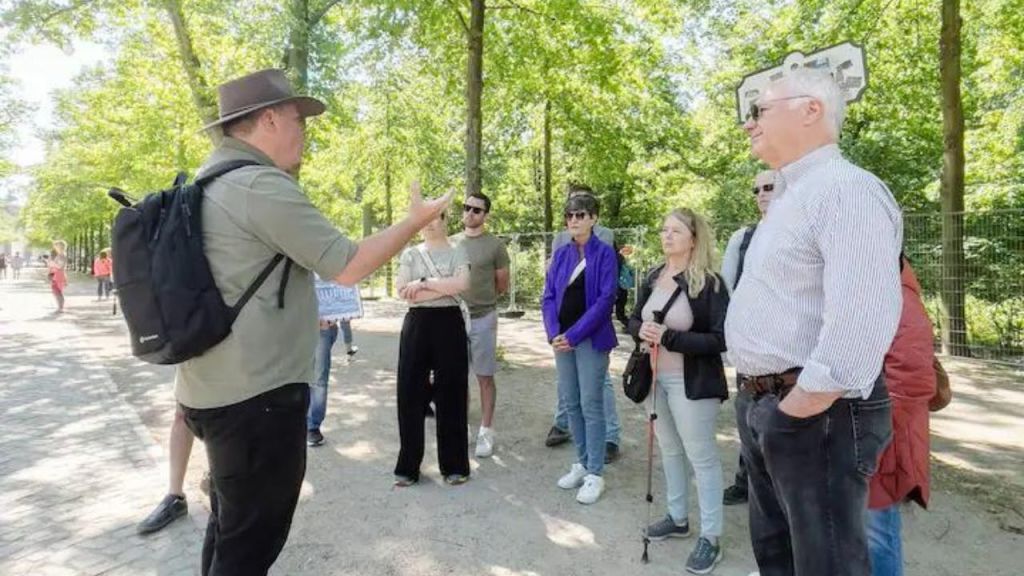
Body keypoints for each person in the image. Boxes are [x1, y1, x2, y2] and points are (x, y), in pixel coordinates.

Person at [175, 69, 451, 576]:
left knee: (230, 527)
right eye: (299, 119)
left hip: (209, 392)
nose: (305, 131)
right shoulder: (258, 184)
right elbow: (348, 264)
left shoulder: (207, 181)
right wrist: (415, 220)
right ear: (270, 118)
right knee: (248, 546)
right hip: (256, 400)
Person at [725, 68, 902, 575]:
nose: (749, 124)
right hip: (770, 403)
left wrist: (796, 410)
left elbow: (861, 319)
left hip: (815, 412)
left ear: (811, 110)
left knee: (825, 564)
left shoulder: (845, 190)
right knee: (777, 557)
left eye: (759, 110)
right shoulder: (788, 197)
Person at [630, 208, 729, 574]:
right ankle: (677, 516)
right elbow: (635, 317)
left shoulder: (711, 283)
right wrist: (639, 329)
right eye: (663, 229)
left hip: (692, 383)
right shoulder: (655, 275)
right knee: (669, 449)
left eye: (675, 230)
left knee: (701, 457)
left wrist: (670, 337)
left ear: (693, 237)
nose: (666, 235)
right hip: (653, 379)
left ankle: (712, 537)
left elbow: (721, 339)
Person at [542, 193, 618, 505]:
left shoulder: (605, 254)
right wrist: (554, 333)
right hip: (562, 341)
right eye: (570, 215)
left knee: (591, 403)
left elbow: (605, 299)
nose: (574, 219)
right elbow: (547, 296)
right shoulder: (560, 254)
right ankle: (583, 462)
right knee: (571, 402)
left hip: (590, 339)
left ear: (594, 218)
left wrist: (573, 335)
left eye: (581, 214)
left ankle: (596, 473)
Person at [866, 254, 936, 576]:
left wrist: (870, 436)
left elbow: (912, 379)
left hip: (882, 441)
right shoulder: (871, 286)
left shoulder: (898, 294)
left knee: (876, 533)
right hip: (866, 434)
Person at [393, 209, 471, 486]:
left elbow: (461, 284)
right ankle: (408, 465)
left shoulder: (458, 250)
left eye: (434, 218)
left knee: (452, 390)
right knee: (409, 390)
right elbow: (402, 290)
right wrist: (442, 286)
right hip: (417, 323)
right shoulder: (411, 254)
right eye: (423, 219)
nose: (428, 224)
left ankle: (454, 465)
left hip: (449, 322)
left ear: (445, 220)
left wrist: (423, 283)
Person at [719, 170, 777, 506]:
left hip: (790, 353)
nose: (761, 194)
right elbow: (727, 288)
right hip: (751, 347)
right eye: (756, 189)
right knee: (748, 418)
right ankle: (747, 479)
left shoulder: (804, 230)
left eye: (769, 187)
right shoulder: (742, 238)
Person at [452, 192, 509, 458]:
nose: (470, 213)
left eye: (477, 210)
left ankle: (486, 430)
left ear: (486, 215)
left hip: (484, 317)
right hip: (453, 317)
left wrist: (483, 302)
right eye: (467, 208)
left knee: (484, 376)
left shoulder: (495, 246)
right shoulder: (451, 244)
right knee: (456, 376)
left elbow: (502, 284)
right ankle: (460, 428)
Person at [48, 241, 68, 313]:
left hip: (58, 274)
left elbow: (60, 266)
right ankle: (60, 307)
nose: (55, 247)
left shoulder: (62, 255)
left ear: (60, 247)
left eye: (56, 245)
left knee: (57, 291)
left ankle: (61, 307)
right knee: (56, 291)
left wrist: (52, 263)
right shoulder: (60, 255)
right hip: (57, 274)